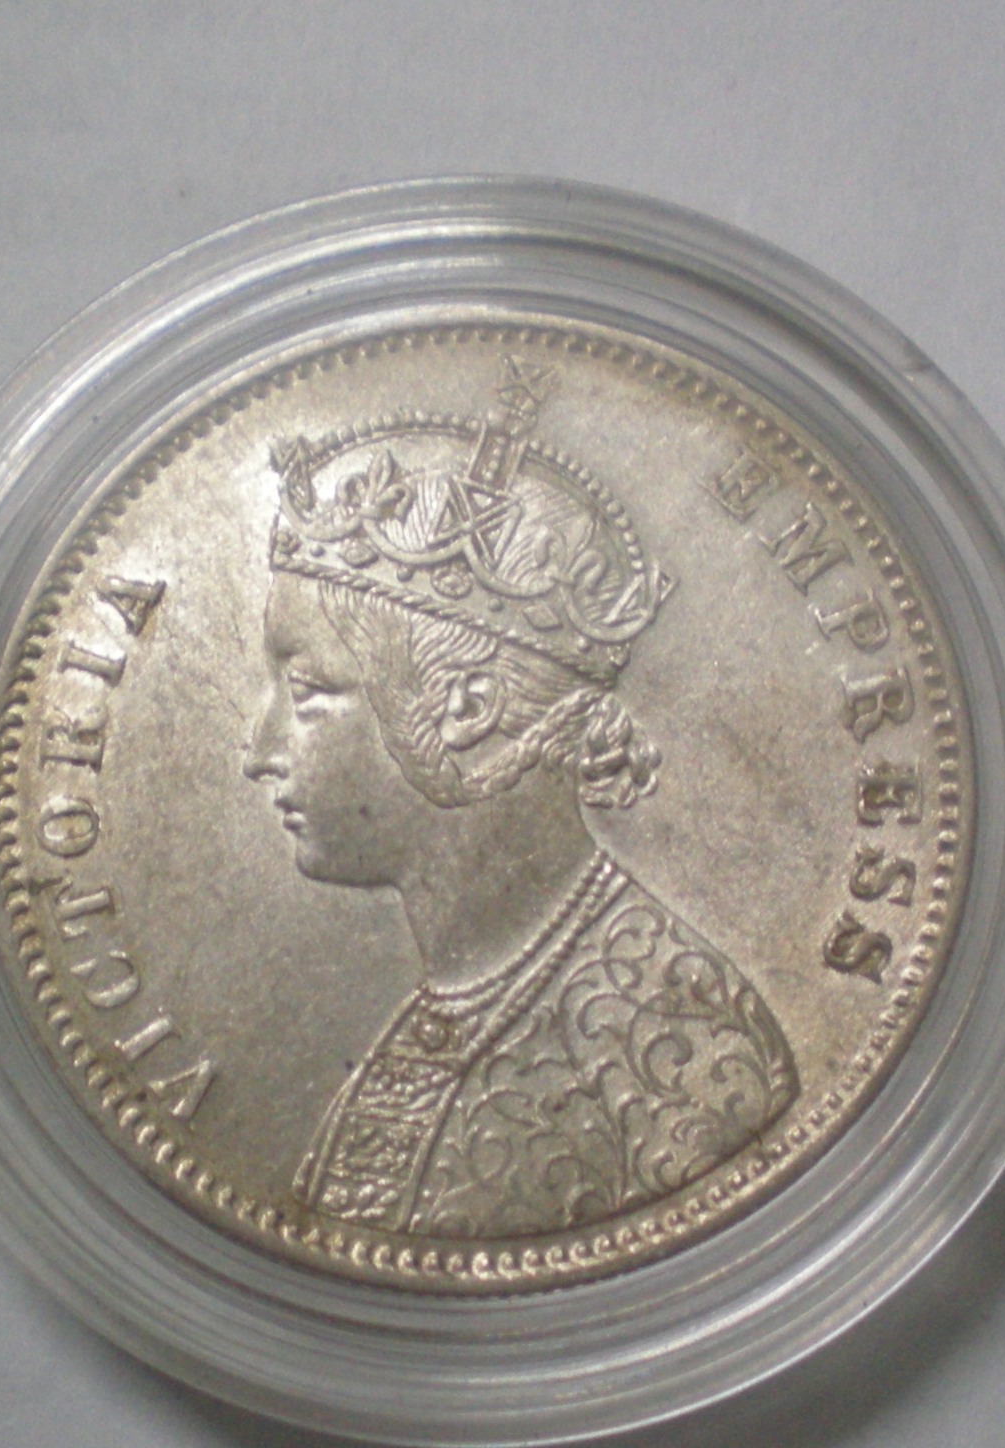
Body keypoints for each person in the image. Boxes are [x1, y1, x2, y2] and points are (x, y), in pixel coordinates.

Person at [244, 366, 798, 1240]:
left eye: (307, 692)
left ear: (465, 709)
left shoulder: (674, 1038)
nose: (259, 752)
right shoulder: (463, 996)